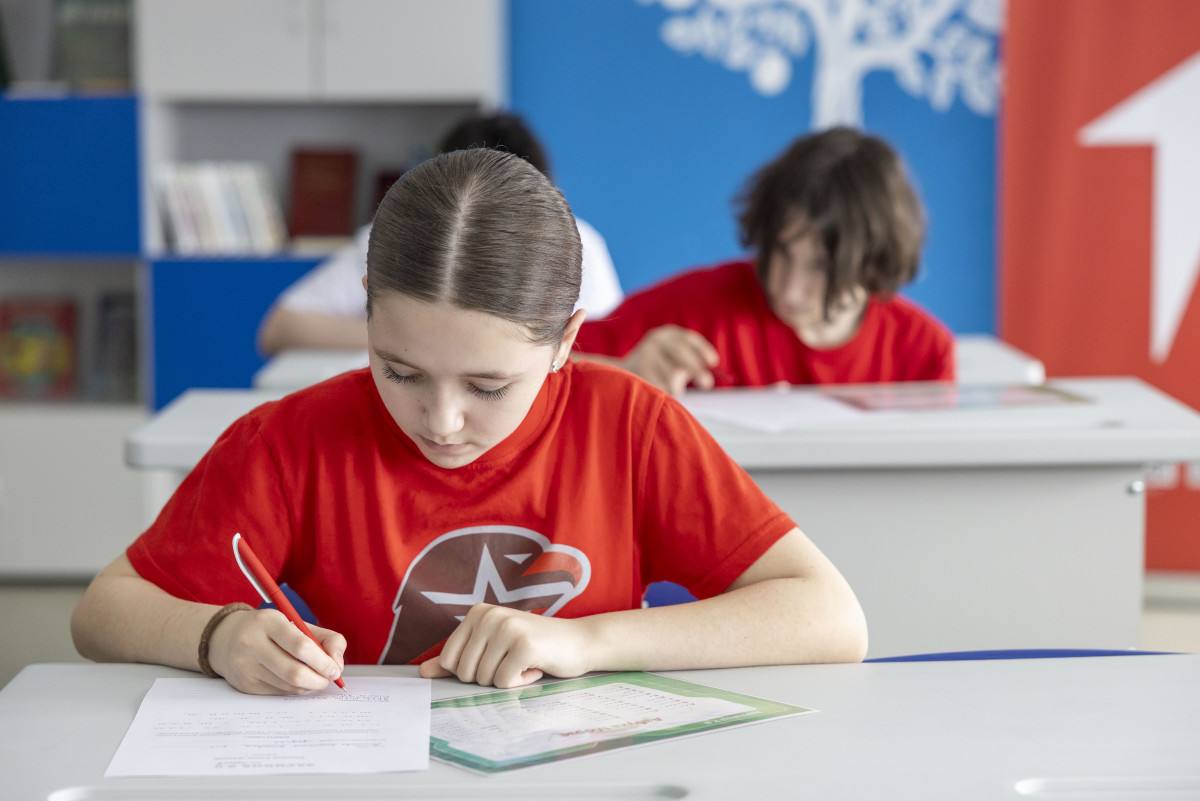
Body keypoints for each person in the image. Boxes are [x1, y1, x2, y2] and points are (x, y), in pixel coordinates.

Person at [71, 149, 867, 695]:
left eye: (489, 385)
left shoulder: (629, 423)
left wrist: (586, 642)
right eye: (400, 371)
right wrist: (217, 636)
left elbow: (831, 617)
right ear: (368, 316)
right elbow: (103, 610)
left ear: (567, 342)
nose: (442, 420)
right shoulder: (292, 440)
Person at [573, 127, 954, 395]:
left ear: (874, 264)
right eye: (780, 253)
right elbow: (547, 360)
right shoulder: (695, 311)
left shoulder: (922, 352)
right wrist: (626, 372)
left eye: (821, 267)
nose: (789, 290)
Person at [258, 112, 623, 355]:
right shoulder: (395, 233)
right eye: (407, 374)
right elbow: (279, 328)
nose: (445, 421)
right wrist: (403, 336)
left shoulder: (579, 243)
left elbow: (604, 345)